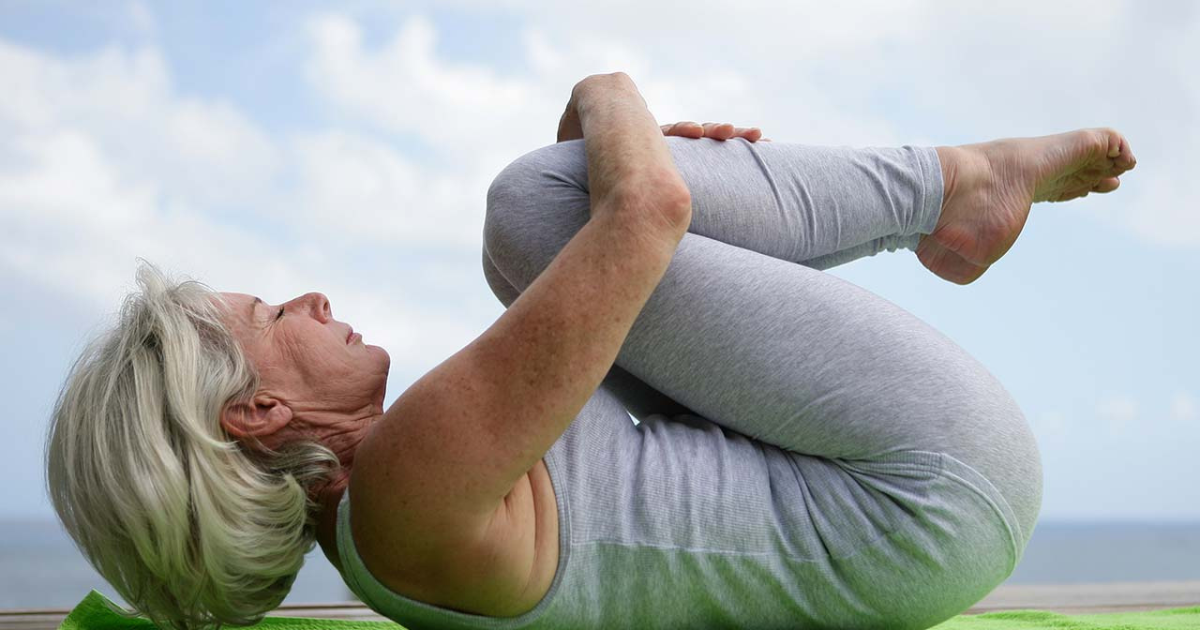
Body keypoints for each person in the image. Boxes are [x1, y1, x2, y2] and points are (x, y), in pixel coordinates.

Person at [44, 72, 1136, 630]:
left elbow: (630, 274)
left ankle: (957, 190)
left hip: (926, 521)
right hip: (931, 482)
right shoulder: (409, 485)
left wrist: (625, 185)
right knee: (532, 205)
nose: (313, 297)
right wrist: (607, 96)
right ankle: (955, 186)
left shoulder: (391, 538)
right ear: (258, 413)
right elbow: (650, 205)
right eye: (274, 314)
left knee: (558, 221)